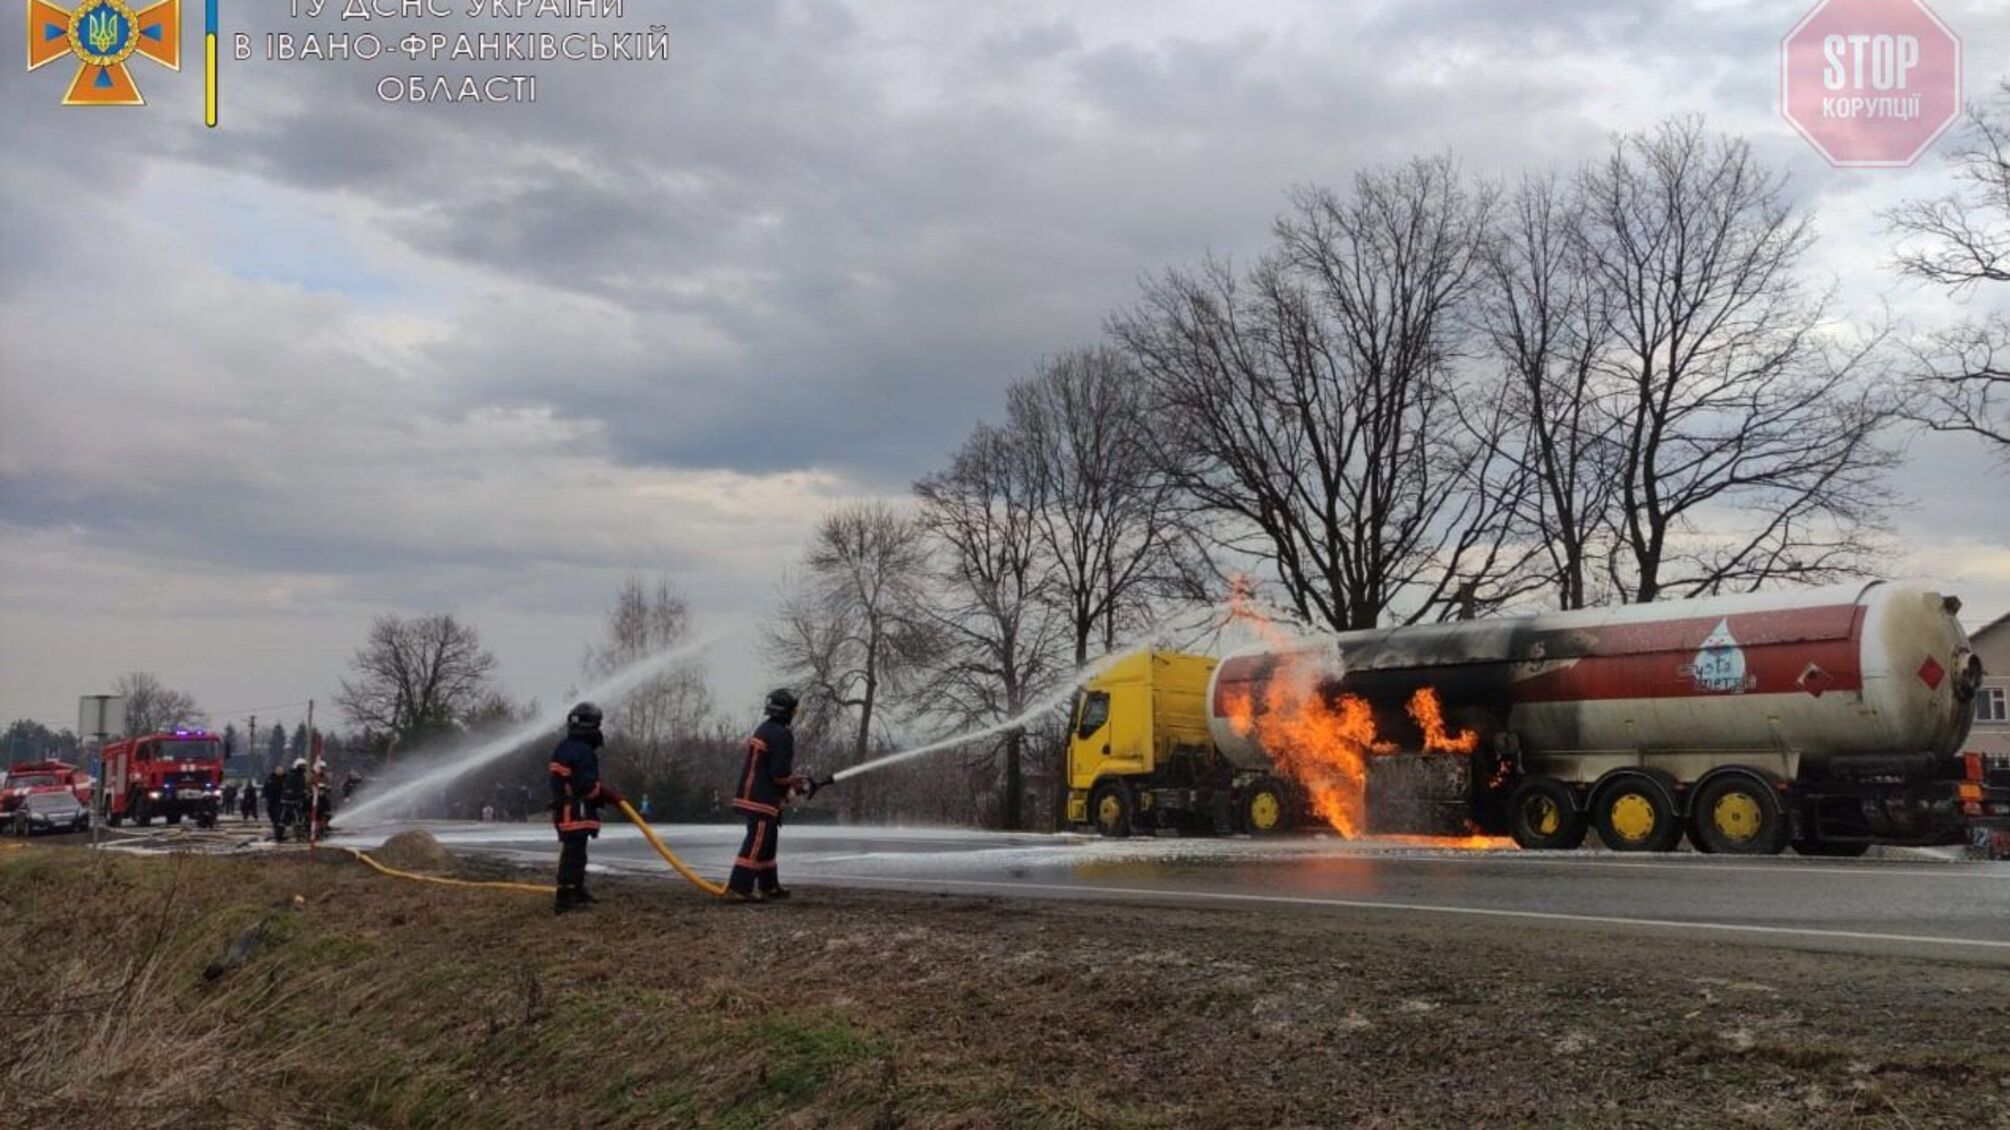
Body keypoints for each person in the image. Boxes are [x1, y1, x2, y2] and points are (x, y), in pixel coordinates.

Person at [725, 689, 810, 902]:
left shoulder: (766, 729)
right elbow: (779, 773)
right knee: (757, 842)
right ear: (787, 711)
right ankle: (738, 887)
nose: (796, 714)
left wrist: (789, 786)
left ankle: (769, 885)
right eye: (794, 710)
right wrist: (794, 783)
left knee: (767, 842)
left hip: (757, 794)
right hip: (760, 798)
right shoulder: (781, 734)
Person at [548, 701, 620, 915]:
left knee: (577, 851)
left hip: (566, 807)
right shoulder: (583, 751)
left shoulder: (565, 746)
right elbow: (585, 786)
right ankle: (566, 896)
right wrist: (606, 794)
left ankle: (576, 890)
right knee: (574, 853)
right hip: (575, 809)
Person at [265, 767, 287, 841]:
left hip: (282, 801)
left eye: (281, 771)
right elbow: (266, 788)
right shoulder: (271, 779)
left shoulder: (286, 779)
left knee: (280, 818)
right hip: (272, 801)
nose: (279, 772)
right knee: (273, 816)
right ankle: (276, 830)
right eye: (278, 771)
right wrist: (265, 796)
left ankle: (279, 834)